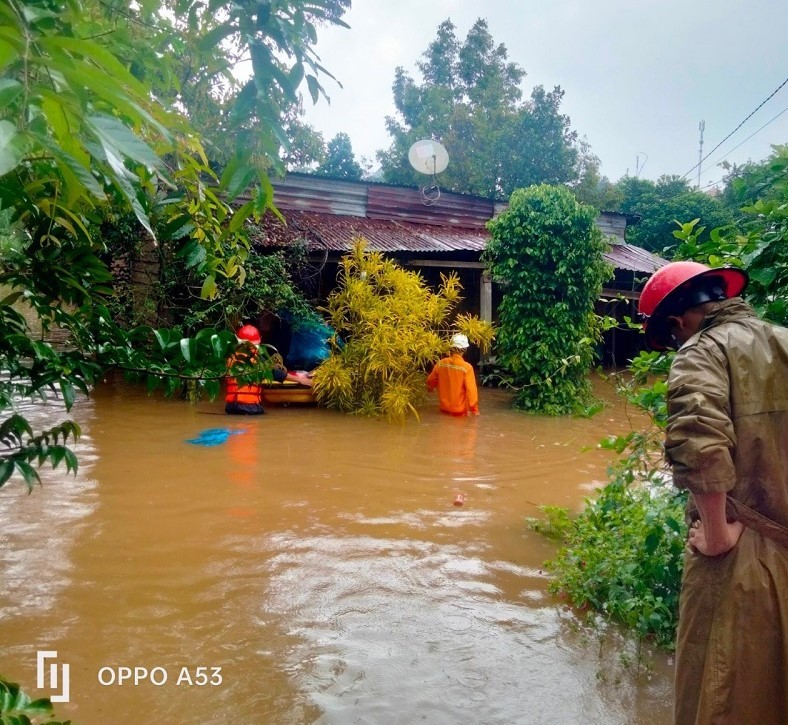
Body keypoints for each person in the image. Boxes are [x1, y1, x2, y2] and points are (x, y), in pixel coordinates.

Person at [638, 260, 788, 724]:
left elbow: (697, 440)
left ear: (677, 323)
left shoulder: (701, 350)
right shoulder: (784, 337)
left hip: (745, 551)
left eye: (672, 340)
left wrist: (719, 532)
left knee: (721, 691)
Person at [225, 324, 309, 415]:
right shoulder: (257, 359)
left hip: (231, 407)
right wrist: (301, 379)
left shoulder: (230, 358)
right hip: (250, 408)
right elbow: (277, 373)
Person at [426, 333, 480, 416]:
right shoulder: (467, 368)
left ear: (451, 347)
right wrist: (475, 410)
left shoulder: (440, 364)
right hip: (459, 413)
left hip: (443, 410)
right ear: (465, 349)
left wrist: (430, 388)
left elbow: (430, 381)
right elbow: (471, 391)